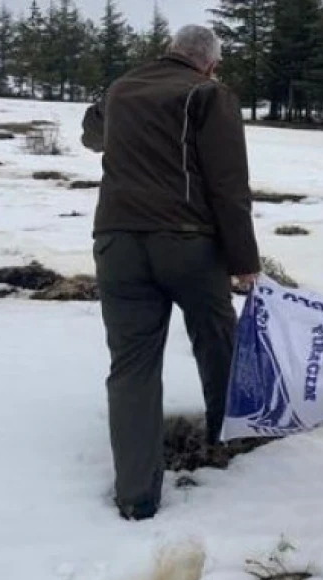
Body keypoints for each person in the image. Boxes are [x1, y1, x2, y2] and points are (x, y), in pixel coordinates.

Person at [80, 24, 260, 522]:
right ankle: (234, 439)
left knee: (132, 366)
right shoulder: (209, 94)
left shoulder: (123, 89)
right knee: (216, 334)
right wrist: (244, 262)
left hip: (116, 242)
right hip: (187, 243)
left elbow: (91, 134)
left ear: (169, 52)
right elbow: (228, 185)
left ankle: (135, 497)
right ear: (210, 63)